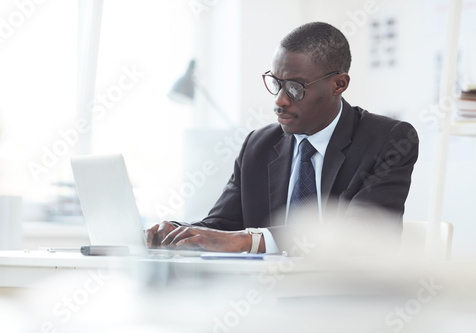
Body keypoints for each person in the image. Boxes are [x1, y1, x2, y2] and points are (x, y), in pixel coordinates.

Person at [145, 22, 418, 254]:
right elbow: (221, 227)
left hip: (346, 303)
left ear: (339, 84)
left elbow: (358, 235)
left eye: (295, 88)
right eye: (276, 83)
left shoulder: (388, 140)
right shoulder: (259, 145)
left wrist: (250, 241)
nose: (280, 100)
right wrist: (176, 231)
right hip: (263, 300)